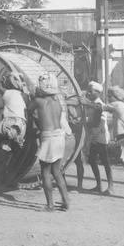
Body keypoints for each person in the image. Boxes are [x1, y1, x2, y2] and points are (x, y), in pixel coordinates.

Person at [31, 73, 70, 211]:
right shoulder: (57, 103)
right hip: (60, 136)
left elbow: (28, 111)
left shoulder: (38, 102)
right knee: (57, 171)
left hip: (48, 137)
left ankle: (50, 205)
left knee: (45, 172)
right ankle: (66, 202)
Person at [85, 81, 114, 194]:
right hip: (95, 136)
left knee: (105, 161)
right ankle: (99, 185)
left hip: (101, 136)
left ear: (97, 93)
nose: (88, 93)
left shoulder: (98, 104)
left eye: (91, 91)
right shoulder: (92, 103)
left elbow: (96, 122)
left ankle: (110, 186)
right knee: (92, 160)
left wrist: (84, 123)